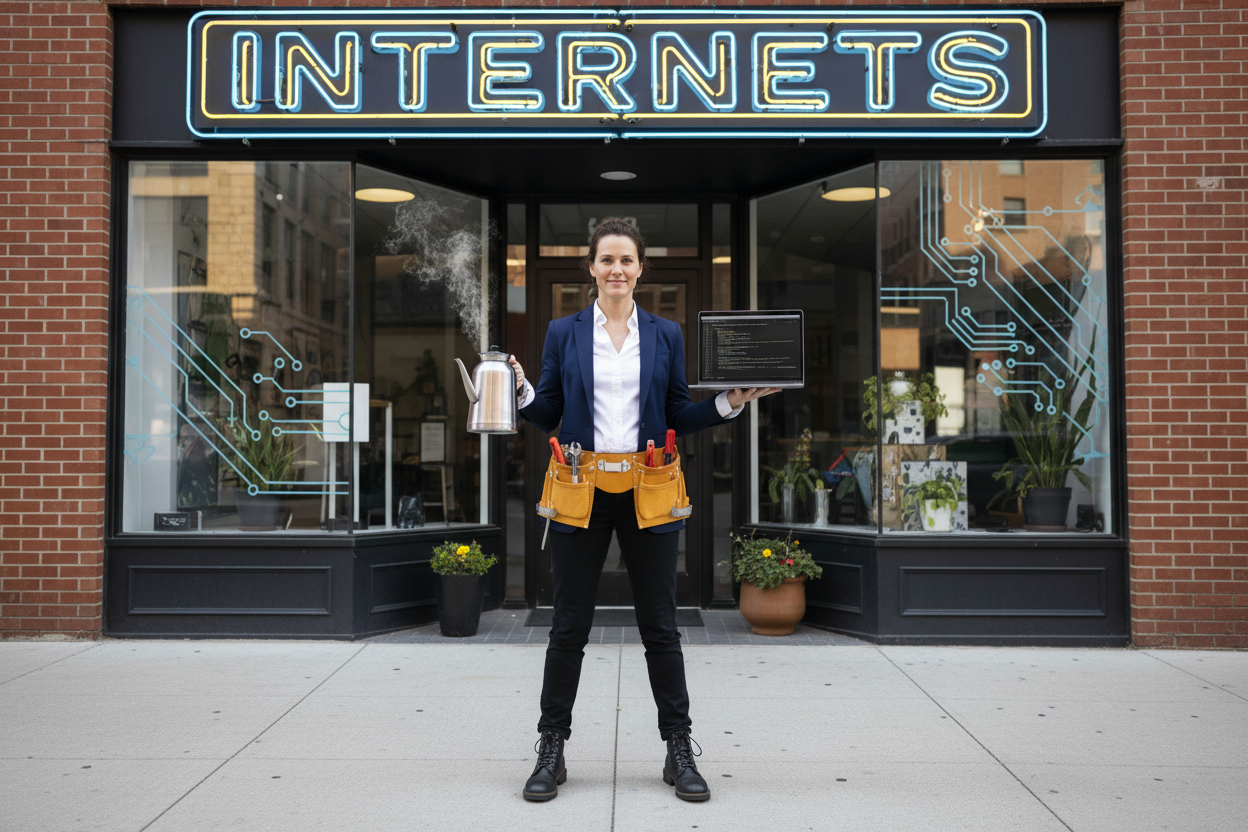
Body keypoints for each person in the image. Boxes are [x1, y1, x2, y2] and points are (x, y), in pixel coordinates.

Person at [507, 218, 778, 803]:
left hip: (648, 486)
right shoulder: (563, 331)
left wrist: (733, 400)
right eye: (606, 260)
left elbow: (678, 409)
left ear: (640, 268)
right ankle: (551, 750)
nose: (616, 270)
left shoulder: (666, 334)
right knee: (568, 626)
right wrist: (522, 389)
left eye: (626, 260)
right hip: (581, 487)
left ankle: (678, 749)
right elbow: (550, 410)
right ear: (591, 268)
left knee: (661, 625)